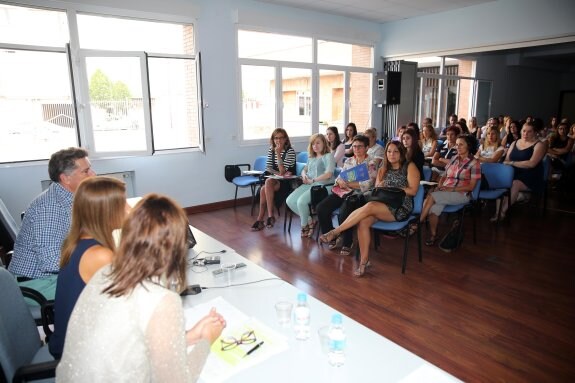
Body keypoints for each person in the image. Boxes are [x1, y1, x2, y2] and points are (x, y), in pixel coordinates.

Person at [56, 194, 226, 382]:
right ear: (177, 248)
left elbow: (131, 341)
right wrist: (206, 341)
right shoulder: (162, 300)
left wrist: (191, 336)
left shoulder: (105, 273)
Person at [49, 176, 128, 359]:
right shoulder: (99, 255)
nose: (129, 209)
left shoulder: (77, 242)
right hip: (81, 354)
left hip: (75, 340)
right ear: (105, 212)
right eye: (122, 204)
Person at [319, 141, 419, 277]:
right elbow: (377, 189)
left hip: (400, 206)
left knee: (369, 206)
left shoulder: (409, 166)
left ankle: (336, 231)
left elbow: (413, 191)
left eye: (396, 151)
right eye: (389, 151)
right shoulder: (383, 168)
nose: (392, 154)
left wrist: (394, 188)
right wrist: (382, 185)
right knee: (363, 222)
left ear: (401, 152)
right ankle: (364, 261)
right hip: (381, 203)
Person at [8, 147, 95, 299]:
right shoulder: (50, 209)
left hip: (48, 277)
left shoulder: (69, 197)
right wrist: (91, 258)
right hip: (37, 283)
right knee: (108, 289)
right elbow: (50, 262)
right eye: (86, 171)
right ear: (66, 178)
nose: (93, 174)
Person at [316, 135, 377, 256]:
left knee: (345, 210)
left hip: (359, 196)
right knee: (321, 208)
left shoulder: (371, 163)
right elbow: (339, 177)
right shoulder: (349, 160)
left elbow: (368, 184)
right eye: (354, 146)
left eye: (360, 146)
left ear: (366, 148)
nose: (356, 149)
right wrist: (340, 182)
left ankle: (347, 242)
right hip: (343, 191)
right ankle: (331, 236)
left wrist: (348, 183)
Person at [420, 134, 481, 246]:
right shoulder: (453, 159)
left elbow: (471, 187)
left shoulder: (474, 163)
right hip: (446, 190)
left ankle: (418, 224)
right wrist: (440, 184)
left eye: (461, 144)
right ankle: (433, 235)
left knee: (431, 196)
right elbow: (445, 175)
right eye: (456, 144)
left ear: (469, 146)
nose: (457, 147)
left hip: (461, 193)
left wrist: (452, 188)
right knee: (433, 208)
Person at [286, 134, 335, 238]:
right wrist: (304, 176)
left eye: (318, 143)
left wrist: (312, 180)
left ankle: (304, 225)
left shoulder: (328, 156)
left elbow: (329, 174)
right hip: (310, 184)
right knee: (289, 201)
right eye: (313, 143)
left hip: (323, 186)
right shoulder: (311, 157)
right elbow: (305, 169)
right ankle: (310, 220)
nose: (315, 146)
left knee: (301, 202)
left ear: (324, 143)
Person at [497, 121, 546, 221]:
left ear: (535, 133)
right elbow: (506, 160)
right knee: (501, 182)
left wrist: (512, 163)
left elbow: (532, 163)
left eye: (529, 132)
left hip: (531, 175)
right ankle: (498, 212)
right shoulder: (515, 143)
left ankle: (502, 213)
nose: (525, 134)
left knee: (515, 183)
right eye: (524, 131)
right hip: (514, 172)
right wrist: (510, 164)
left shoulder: (539, 145)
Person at [251, 128, 296, 231]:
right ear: (273, 139)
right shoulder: (271, 150)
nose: (278, 140)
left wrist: (279, 155)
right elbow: (269, 168)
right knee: (264, 188)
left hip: (286, 183)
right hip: (274, 180)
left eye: (281, 138)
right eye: (276, 138)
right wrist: (278, 173)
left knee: (267, 183)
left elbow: (282, 172)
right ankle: (264, 219)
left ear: (285, 139)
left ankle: (268, 217)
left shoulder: (290, 151)